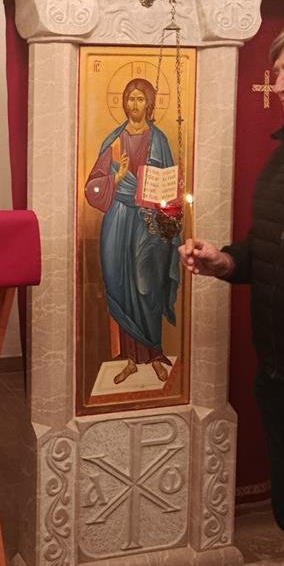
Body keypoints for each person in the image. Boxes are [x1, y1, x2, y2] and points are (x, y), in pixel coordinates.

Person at [180, 18, 284, 566]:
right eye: (278, 70)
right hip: (283, 375)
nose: (278, 83)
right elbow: (271, 247)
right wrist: (227, 261)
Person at [85, 77, 180, 386]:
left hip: (148, 223)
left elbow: (168, 184)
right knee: (120, 286)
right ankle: (129, 359)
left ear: (149, 104)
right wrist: (117, 178)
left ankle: (155, 354)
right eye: (130, 98)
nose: (134, 104)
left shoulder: (159, 140)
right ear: (124, 102)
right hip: (118, 219)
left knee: (147, 285)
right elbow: (92, 188)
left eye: (140, 99)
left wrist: (168, 200)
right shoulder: (114, 141)